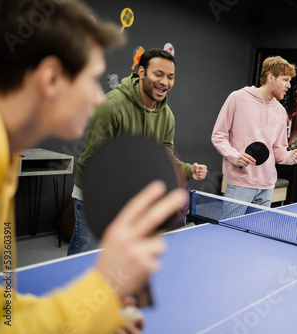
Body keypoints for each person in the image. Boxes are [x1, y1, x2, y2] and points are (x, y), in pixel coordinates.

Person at [0, 0, 188, 333]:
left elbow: (4, 313)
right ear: (52, 78)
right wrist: (101, 288)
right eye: (92, 79)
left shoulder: (6, 159)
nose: (99, 98)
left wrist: (96, 311)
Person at [68, 48, 208, 255]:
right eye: (158, 74)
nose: (165, 82)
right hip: (94, 197)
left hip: (130, 201)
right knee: (84, 259)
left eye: (170, 77)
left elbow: (165, 156)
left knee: (116, 261)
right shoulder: (111, 106)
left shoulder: (167, 115)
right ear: (141, 72)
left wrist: (188, 170)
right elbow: (93, 161)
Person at [211, 56, 297, 207]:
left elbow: (278, 151)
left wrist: (290, 156)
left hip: (267, 187)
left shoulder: (280, 111)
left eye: (290, 81)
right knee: (231, 231)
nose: (289, 86)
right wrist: (235, 156)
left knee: (256, 231)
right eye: (285, 80)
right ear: (271, 77)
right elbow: (218, 136)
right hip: (240, 184)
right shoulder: (237, 98)